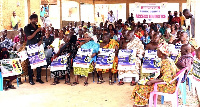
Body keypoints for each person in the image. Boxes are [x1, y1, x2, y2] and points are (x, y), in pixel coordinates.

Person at [132, 41, 178, 107]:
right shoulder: (168, 60)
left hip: (168, 86)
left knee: (142, 85)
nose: (156, 52)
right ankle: (141, 103)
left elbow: (167, 79)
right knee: (142, 82)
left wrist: (152, 81)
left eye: (158, 51)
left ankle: (140, 104)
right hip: (170, 84)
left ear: (162, 54)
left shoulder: (166, 63)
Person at [24, 14, 44, 85]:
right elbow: (29, 37)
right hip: (31, 47)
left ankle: (38, 78)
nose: (36, 21)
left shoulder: (38, 27)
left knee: (39, 62)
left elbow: (41, 36)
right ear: (31, 19)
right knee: (31, 64)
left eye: (36, 19)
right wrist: (36, 31)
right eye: (35, 19)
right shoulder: (27, 27)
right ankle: (31, 79)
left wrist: (41, 41)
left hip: (38, 47)